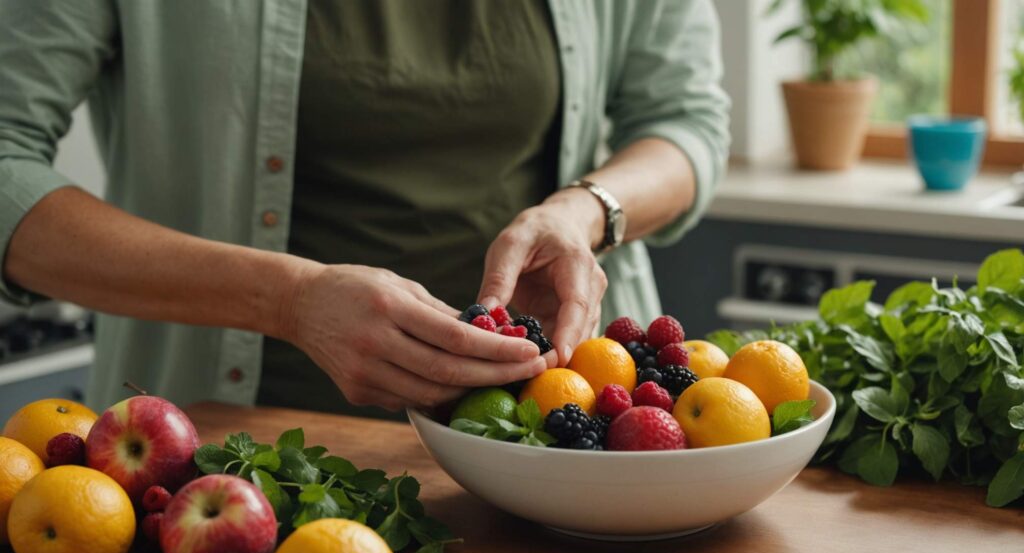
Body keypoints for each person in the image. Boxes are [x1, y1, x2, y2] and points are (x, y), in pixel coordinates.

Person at [0, 0, 729, 417]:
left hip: (555, 454)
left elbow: (687, 121)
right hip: (226, 458)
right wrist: (289, 300)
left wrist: (585, 212)